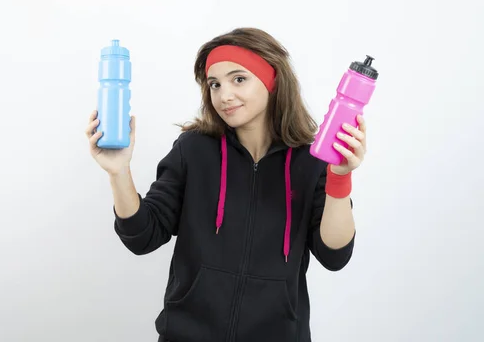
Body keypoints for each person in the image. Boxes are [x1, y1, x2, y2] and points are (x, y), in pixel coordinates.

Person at [86, 27, 367, 342]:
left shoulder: (312, 161)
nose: (224, 95)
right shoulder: (193, 149)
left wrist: (339, 177)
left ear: (273, 80)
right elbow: (142, 237)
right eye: (214, 84)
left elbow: (334, 255)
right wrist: (118, 171)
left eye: (239, 79)